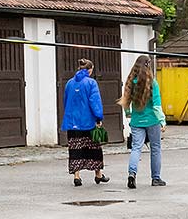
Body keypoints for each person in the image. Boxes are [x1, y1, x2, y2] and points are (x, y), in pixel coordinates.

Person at [118, 55, 167, 189]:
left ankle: (132, 174)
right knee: (155, 149)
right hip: (152, 121)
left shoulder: (131, 82)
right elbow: (157, 106)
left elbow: (126, 102)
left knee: (136, 148)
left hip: (136, 121)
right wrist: (162, 121)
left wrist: (128, 115)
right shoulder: (153, 83)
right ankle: (156, 178)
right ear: (148, 65)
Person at [60, 59, 109, 187]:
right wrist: (99, 118)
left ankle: (77, 176)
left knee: (75, 148)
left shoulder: (69, 83)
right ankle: (98, 174)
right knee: (94, 148)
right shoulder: (91, 83)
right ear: (90, 70)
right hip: (88, 122)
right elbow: (95, 102)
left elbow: (66, 102)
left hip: (73, 122)